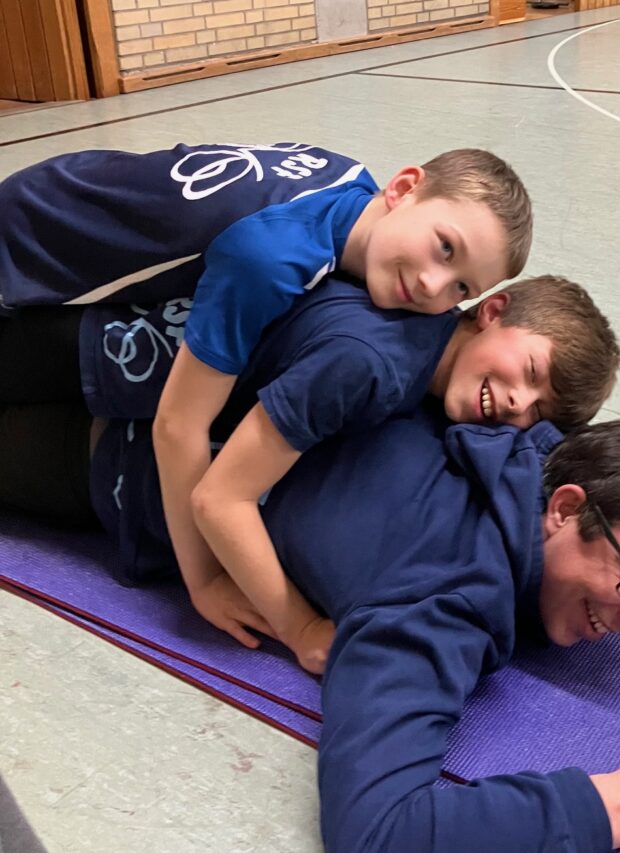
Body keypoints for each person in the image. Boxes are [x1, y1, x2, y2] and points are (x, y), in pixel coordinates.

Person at [82, 409, 620, 853]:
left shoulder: (538, 448)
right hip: (106, 458)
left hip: (174, 394)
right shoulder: (438, 599)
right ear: (565, 508)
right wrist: (612, 809)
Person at [0, 141, 532, 667]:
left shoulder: (355, 189)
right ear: (403, 187)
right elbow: (178, 426)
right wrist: (206, 581)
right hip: (26, 250)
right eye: (445, 248)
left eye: (461, 287)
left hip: (68, 192)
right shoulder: (270, 260)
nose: (433, 285)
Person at [0, 272, 620, 670]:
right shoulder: (371, 362)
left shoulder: (426, 347)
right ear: (493, 310)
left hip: (121, 419)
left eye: (538, 412)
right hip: (113, 380)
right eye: (531, 374)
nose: (517, 405)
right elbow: (217, 493)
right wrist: (295, 626)